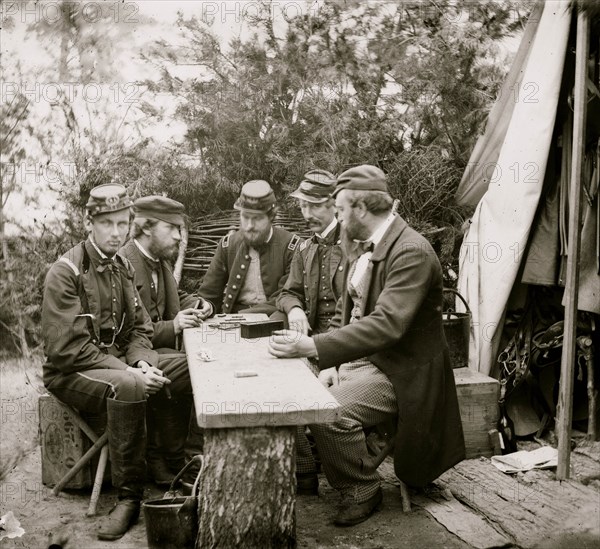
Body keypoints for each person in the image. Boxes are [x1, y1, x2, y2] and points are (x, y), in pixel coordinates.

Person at [268, 165, 465, 526]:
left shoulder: (411, 252)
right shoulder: (370, 246)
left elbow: (387, 325)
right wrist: (330, 364)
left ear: (359, 209)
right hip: (369, 360)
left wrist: (312, 347)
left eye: (339, 210)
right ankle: (307, 471)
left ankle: (361, 487)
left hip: (403, 373)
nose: (337, 218)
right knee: (288, 385)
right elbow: (351, 314)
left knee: (327, 411)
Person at [42, 184, 184, 541]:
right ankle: (129, 498)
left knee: (185, 367)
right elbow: (68, 350)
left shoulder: (121, 267)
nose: (116, 232)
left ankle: (174, 462)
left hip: (117, 365)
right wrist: (130, 371)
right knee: (131, 385)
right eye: (107, 223)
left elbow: (140, 329)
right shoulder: (66, 272)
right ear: (88, 222)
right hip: (70, 373)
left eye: (123, 223)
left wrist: (141, 362)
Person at [119, 196, 211, 485]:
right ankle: (187, 460)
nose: (178, 236)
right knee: (202, 370)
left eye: (180, 229)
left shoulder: (159, 261)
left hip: (157, 352)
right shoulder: (124, 265)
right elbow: (127, 333)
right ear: (146, 227)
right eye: (172, 228)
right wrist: (174, 326)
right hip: (131, 360)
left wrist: (199, 304)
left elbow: (172, 298)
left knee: (202, 365)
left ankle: (176, 458)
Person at [198, 179, 300, 315]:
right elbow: (209, 294)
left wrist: (245, 317)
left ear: (271, 217)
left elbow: (287, 296)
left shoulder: (290, 247)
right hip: (233, 322)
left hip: (275, 320)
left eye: (257, 218)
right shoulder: (228, 245)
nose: (249, 225)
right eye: (245, 217)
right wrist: (208, 307)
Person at [275, 169, 344, 335]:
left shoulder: (356, 245)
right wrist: (294, 310)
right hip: (312, 331)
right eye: (303, 206)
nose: (307, 215)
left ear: (334, 206)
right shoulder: (304, 249)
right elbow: (288, 292)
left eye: (315, 206)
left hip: (347, 334)